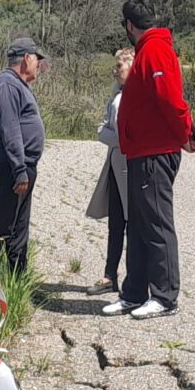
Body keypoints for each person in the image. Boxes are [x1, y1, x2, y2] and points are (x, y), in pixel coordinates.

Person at [107, 0, 195, 319]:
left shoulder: (156, 50)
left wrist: (186, 134)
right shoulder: (148, 50)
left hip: (155, 155)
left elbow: (171, 100)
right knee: (139, 226)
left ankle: (165, 296)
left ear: (130, 25)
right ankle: (134, 292)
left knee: (157, 225)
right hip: (140, 152)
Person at [0, 37, 47, 278]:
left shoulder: (18, 85)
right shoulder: (7, 85)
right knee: (4, 222)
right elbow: (11, 130)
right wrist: (19, 169)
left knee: (19, 226)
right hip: (13, 167)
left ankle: (17, 278)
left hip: (24, 166)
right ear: (26, 58)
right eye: (37, 59)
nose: (39, 64)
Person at [84, 47, 133, 291]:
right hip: (115, 166)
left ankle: (133, 279)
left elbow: (124, 136)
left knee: (131, 223)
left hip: (128, 167)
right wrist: (111, 136)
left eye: (119, 66)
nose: (115, 71)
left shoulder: (133, 97)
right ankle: (109, 275)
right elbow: (103, 128)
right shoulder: (116, 95)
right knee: (116, 222)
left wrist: (111, 137)